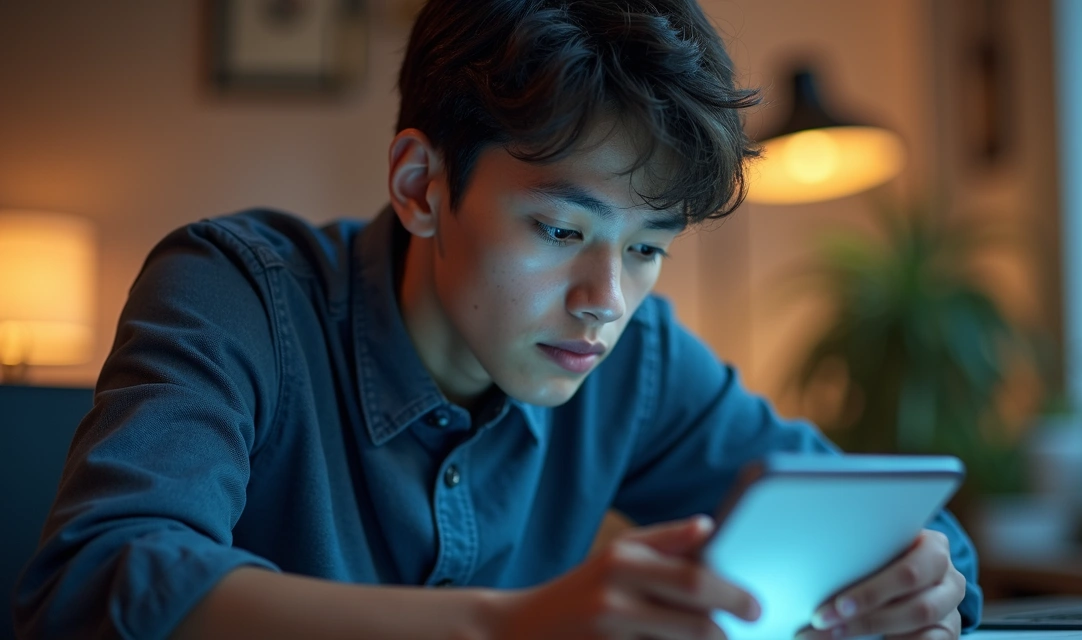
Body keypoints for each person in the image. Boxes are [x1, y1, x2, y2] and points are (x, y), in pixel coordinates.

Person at [14, 1, 982, 638]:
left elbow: (897, 518)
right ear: (420, 185)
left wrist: (929, 579)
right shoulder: (232, 293)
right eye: (562, 228)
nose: (606, 297)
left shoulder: (632, 360)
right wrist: (510, 625)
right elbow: (100, 581)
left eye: (648, 246)